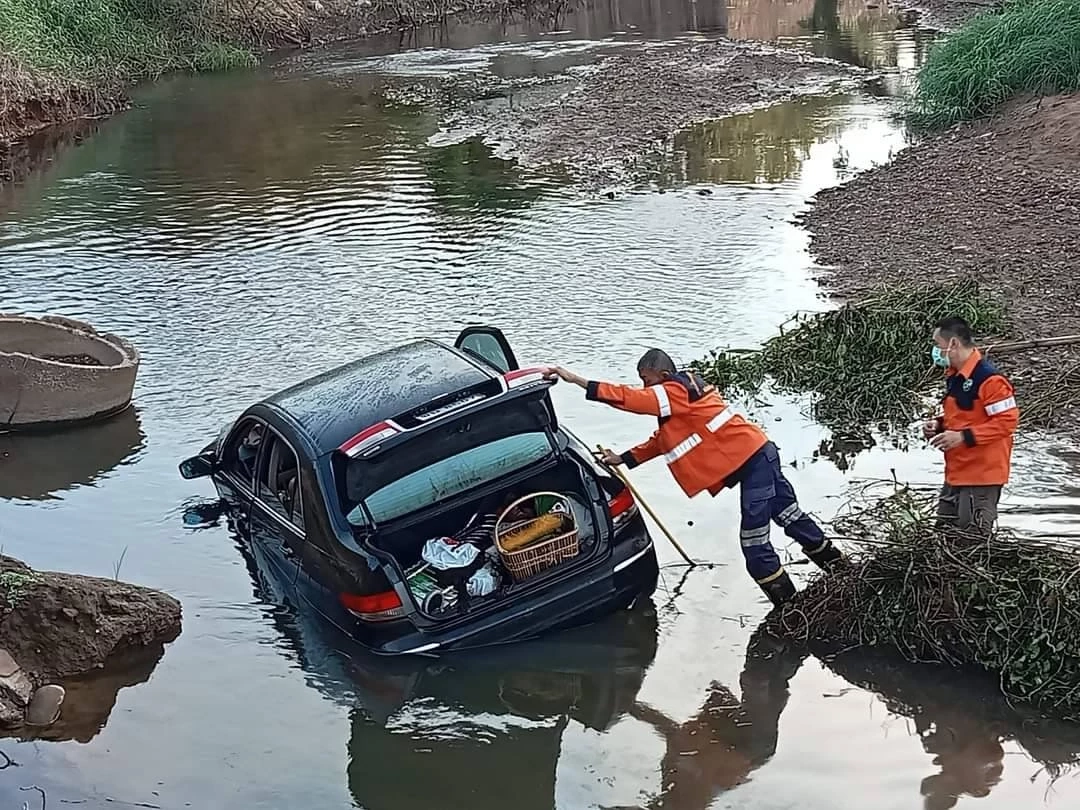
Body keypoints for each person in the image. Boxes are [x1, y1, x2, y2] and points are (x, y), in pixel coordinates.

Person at [544, 349, 844, 606]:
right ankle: (842, 571)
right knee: (790, 516)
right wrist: (622, 458)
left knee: (753, 544)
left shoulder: (674, 390)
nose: (644, 387)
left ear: (662, 375)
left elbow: (630, 399)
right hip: (759, 455)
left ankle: (789, 607)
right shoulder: (682, 398)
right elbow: (663, 441)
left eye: (646, 380)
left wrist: (574, 379)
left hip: (755, 462)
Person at [922, 317, 1019, 536]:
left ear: (953, 344)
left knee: (971, 542)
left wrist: (962, 437)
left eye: (938, 345)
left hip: (981, 476)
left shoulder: (990, 381)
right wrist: (938, 425)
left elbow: (1006, 423)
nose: (935, 351)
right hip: (957, 473)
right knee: (943, 537)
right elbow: (963, 417)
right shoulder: (956, 377)